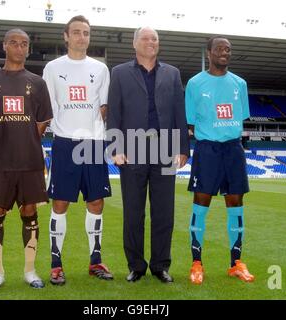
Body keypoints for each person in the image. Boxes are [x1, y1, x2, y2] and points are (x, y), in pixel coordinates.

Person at [0, 29, 53, 291]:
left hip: (30, 162)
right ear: (4, 46)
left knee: (30, 212)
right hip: (0, 163)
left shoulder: (37, 83)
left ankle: (30, 271)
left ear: (28, 49)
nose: (19, 48)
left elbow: (43, 122)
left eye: (24, 44)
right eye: (14, 43)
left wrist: (25, 140)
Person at [107, 27, 189, 283]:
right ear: (134, 44)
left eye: (154, 38)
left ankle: (160, 265)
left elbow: (179, 111)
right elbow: (114, 111)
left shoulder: (172, 73)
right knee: (133, 212)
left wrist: (183, 147)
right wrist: (115, 147)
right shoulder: (119, 73)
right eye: (145, 38)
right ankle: (136, 266)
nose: (151, 42)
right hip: (132, 149)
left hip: (165, 150)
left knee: (164, 212)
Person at [42, 15, 113, 285]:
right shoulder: (52, 68)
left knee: (96, 203)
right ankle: (56, 264)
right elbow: (47, 108)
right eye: (77, 32)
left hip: (93, 143)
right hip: (64, 142)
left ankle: (95, 261)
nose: (82, 37)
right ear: (66, 36)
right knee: (60, 203)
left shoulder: (101, 69)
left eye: (86, 33)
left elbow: (105, 109)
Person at [185, 36, 255, 285]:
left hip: (233, 150)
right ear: (209, 52)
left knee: (235, 204)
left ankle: (236, 263)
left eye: (228, 49)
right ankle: (197, 263)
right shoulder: (195, 83)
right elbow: (190, 121)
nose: (224, 52)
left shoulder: (240, 84)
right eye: (219, 49)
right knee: (201, 204)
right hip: (207, 150)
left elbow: (240, 117)